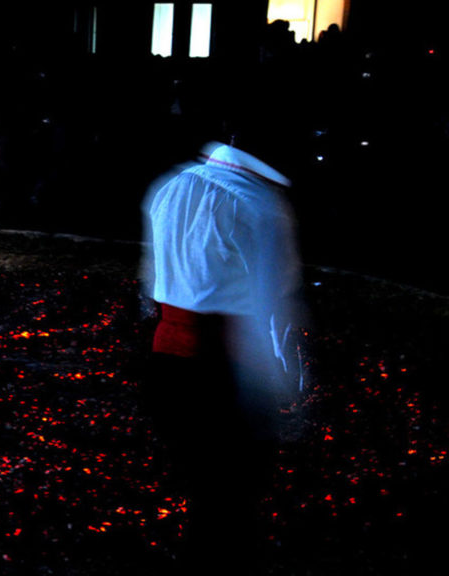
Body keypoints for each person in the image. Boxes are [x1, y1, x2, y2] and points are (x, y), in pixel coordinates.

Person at [139, 75, 304, 575]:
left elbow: (153, 282)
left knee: (200, 476)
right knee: (230, 488)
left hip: (167, 356)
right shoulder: (260, 207)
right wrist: (280, 384)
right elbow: (268, 304)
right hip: (222, 365)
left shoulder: (168, 186)